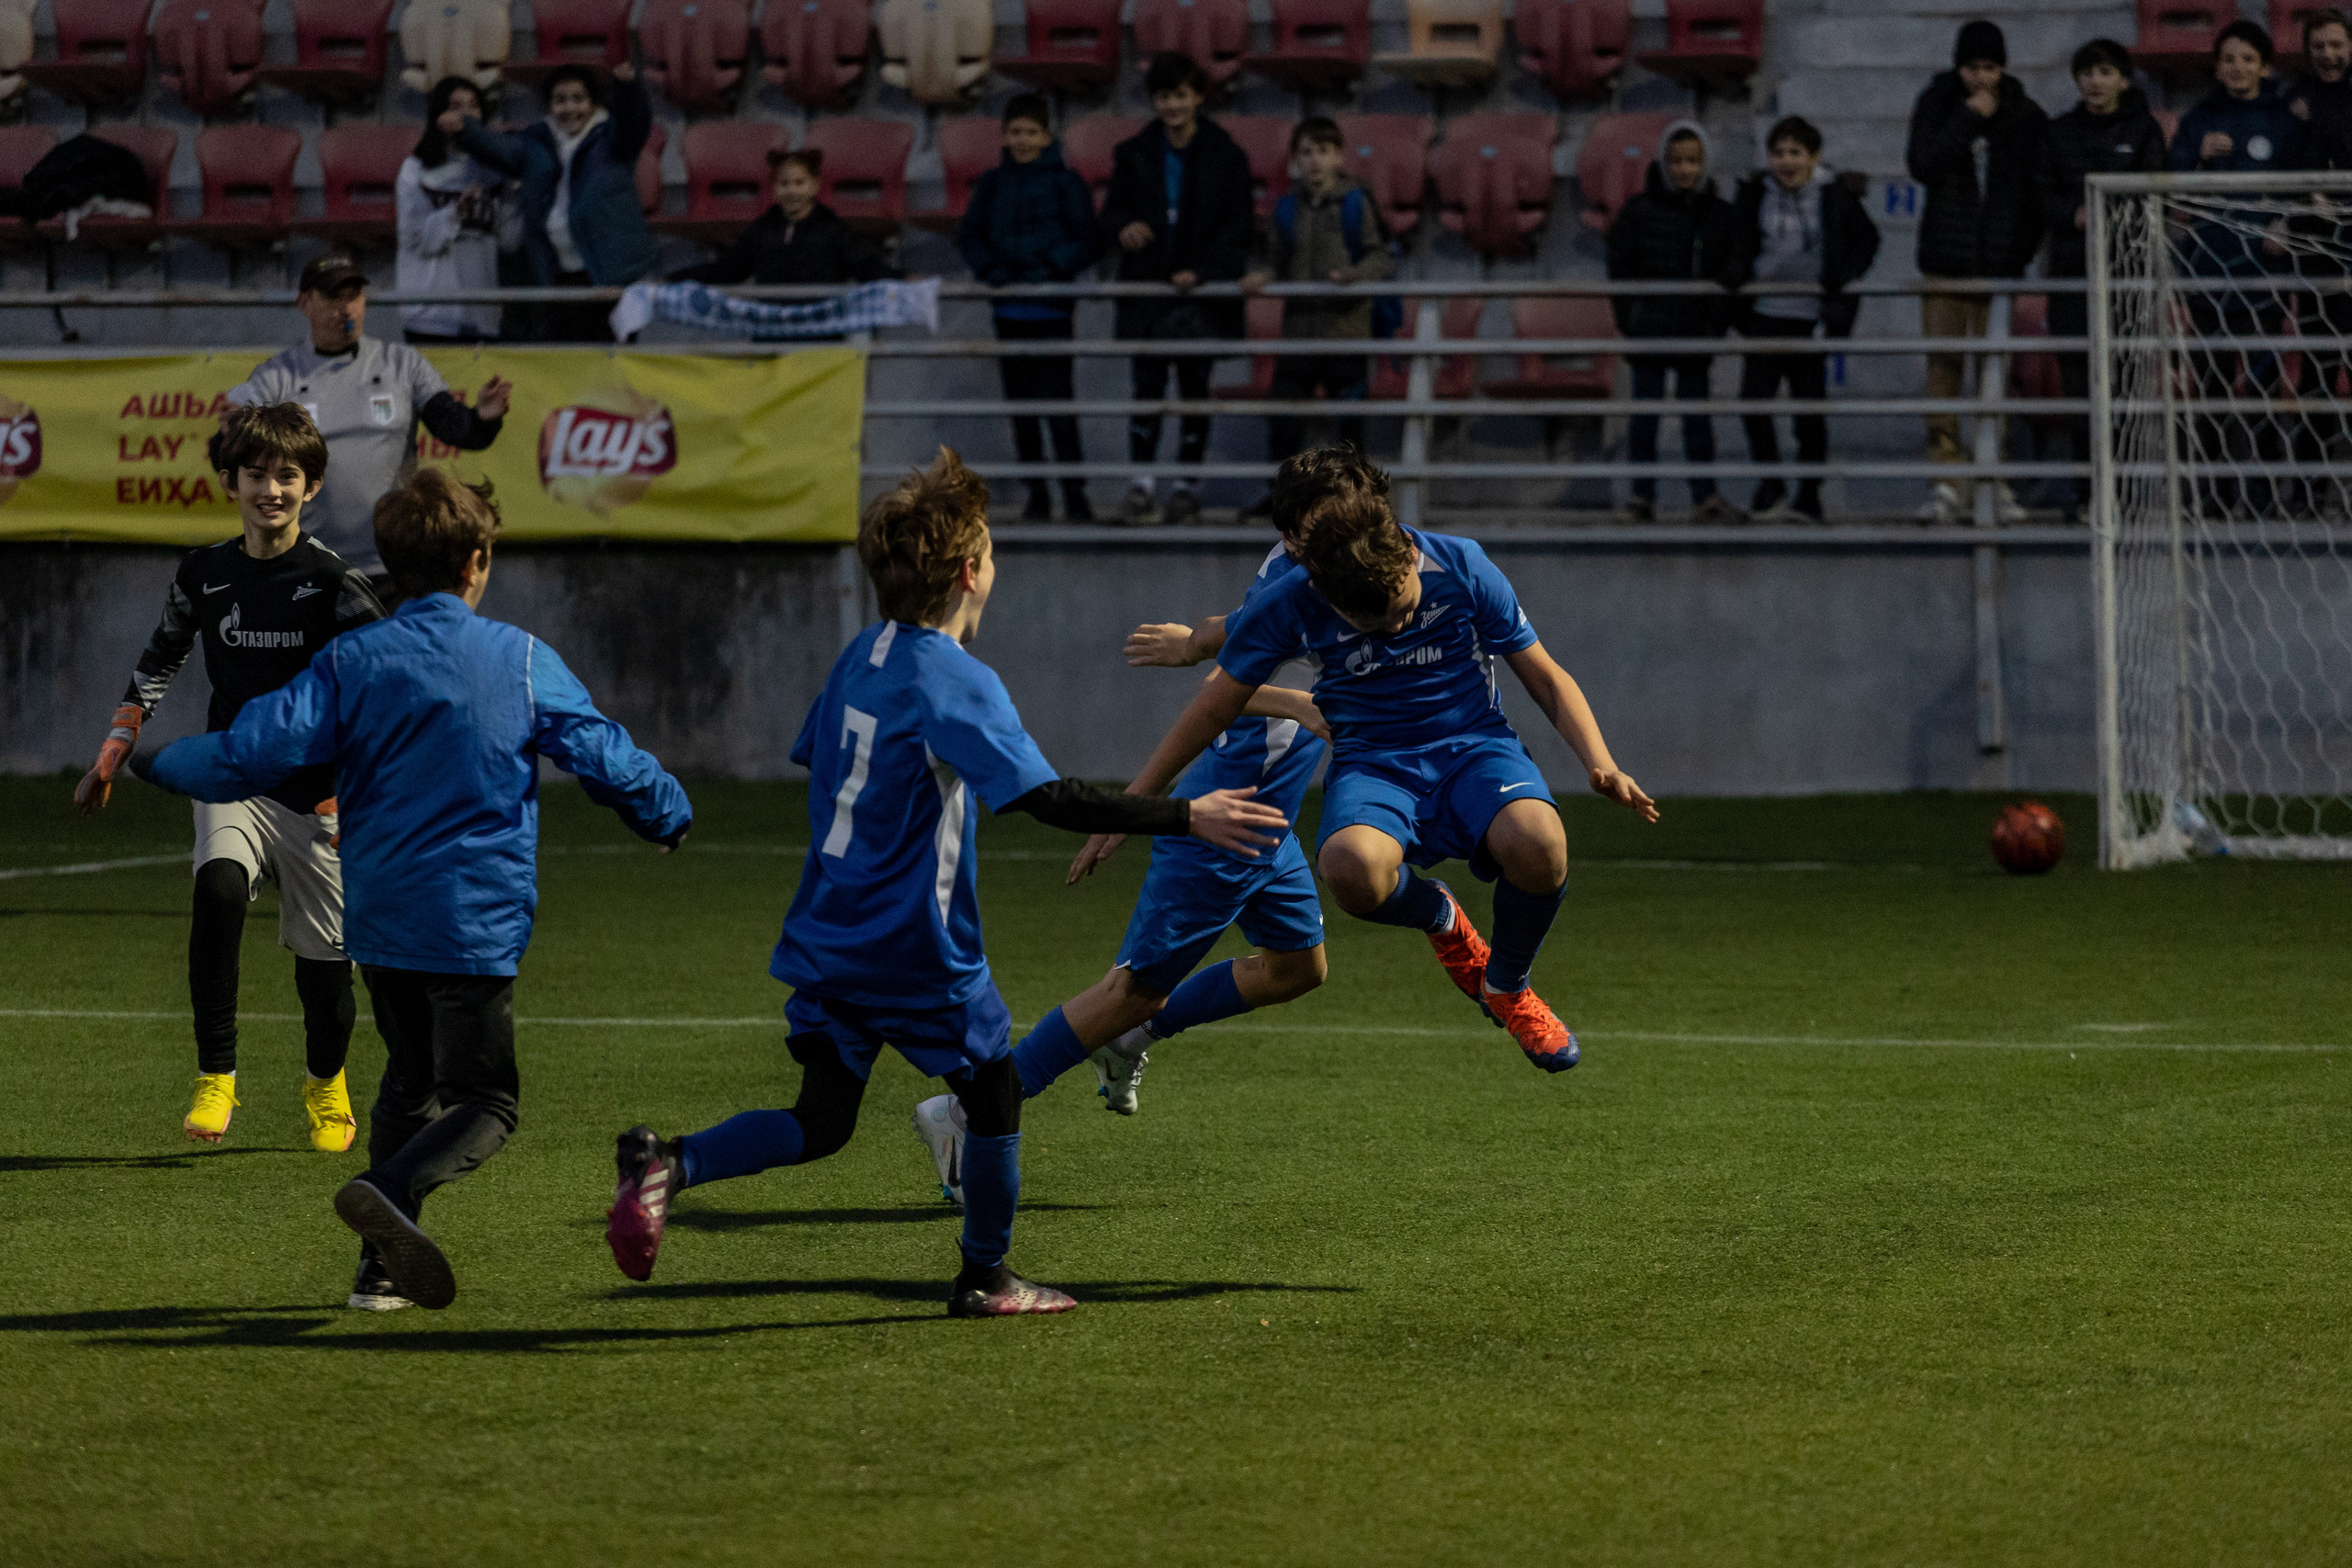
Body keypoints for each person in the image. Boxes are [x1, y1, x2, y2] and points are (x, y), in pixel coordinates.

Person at [599, 448, 1287, 1317]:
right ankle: (986, 1277)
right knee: (994, 1095)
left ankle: (672, 1163)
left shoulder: (862, 655)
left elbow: (823, 759)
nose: (994, 567)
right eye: (991, 553)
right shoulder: (952, 676)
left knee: (822, 1118)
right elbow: (1048, 798)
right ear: (968, 572)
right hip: (913, 943)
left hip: (828, 928)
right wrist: (1190, 816)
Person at [136, 469, 694, 1314]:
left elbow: (250, 750)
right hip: (471, 920)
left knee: (407, 1079)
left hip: (383, 918)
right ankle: (389, 1189)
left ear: (391, 567)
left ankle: (380, 1269)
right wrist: (666, 812)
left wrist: (156, 760)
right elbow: (604, 754)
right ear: (478, 560)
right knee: (488, 1101)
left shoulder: (352, 660)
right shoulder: (520, 658)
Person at [1119, 447, 1658, 1070]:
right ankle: (1439, 913)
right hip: (1374, 761)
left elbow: (1545, 676)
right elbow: (1217, 696)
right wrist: (1134, 802)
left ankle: (1507, 986)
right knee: (1349, 870)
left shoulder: (1461, 564)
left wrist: (1601, 760)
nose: (1395, 629)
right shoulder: (1297, 595)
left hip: (1473, 746)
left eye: (1402, 610)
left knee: (1541, 843)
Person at [908, 457, 1353, 1191]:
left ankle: (1134, 1037)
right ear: (1296, 533)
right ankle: (963, 1110)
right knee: (1129, 990)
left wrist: (1195, 639)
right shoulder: (1298, 580)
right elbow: (1225, 688)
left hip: (1268, 813)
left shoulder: (1336, 566)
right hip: (1228, 812)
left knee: (1297, 966)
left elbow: (1225, 637)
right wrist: (1289, 708)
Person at [74, 404, 382, 1151]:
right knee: (216, 890)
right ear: (229, 482)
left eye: (287, 476)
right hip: (233, 773)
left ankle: (325, 1083)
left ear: (312, 487)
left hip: (317, 795)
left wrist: (359, 785)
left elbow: (384, 683)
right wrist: (119, 741)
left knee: (326, 984)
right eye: (256, 475)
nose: (270, 489)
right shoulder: (204, 572)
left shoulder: (334, 582)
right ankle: (217, 1078)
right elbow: (161, 655)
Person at [225, 252, 510, 596]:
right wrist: (228, 437)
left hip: (395, 568)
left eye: (354, 296)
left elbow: (456, 428)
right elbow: (233, 461)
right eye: (333, 297)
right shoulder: (275, 378)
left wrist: (483, 418)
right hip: (310, 567)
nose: (346, 309)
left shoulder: (403, 364)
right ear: (304, 303)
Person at [1101, 51, 1256, 525]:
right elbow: (1110, 215)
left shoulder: (1227, 157)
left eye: (1181, 95)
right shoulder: (1133, 154)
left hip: (1200, 296)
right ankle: (1141, 487)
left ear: (1199, 98)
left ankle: (1187, 488)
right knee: (1145, 388)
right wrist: (1125, 226)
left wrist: (1204, 272)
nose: (1172, 105)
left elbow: (1239, 229)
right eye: (1164, 96)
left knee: (1194, 390)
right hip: (1147, 291)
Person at [1906, 19, 2048, 522]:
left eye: (1989, 68)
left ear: (2003, 67)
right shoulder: (1938, 103)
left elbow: (2037, 194)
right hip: (1946, 264)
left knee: (1996, 378)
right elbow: (1922, 165)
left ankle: (1994, 477)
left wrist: (2016, 253)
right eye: (1972, 68)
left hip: (1999, 269)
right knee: (1943, 375)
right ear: (1958, 66)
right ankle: (1946, 480)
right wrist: (1966, 117)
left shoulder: (2027, 116)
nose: (1981, 79)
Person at [2173, 20, 2312, 516]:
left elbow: (2304, 187)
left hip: (2263, 277)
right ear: (2216, 66)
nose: (2237, 68)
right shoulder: (2198, 121)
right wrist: (2197, 161)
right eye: (2228, 59)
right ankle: (2210, 498)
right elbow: (2170, 191)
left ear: (2264, 65)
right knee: (2210, 388)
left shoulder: (2284, 121)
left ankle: (2264, 498)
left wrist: (2285, 223)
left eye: (2247, 59)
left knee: (2261, 388)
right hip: (2208, 274)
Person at [1725, 117, 1882, 524]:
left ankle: (1809, 495)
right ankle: (1771, 482)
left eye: (1795, 152)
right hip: (1763, 316)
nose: (1785, 161)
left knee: (1808, 414)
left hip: (1809, 320)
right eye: (1778, 153)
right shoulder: (1754, 193)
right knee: (1753, 403)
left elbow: (1868, 240)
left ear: (1815, 157)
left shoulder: (1835, 196)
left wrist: (1842, 276)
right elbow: (1735, 240)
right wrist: (1738, 269)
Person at [2037, 40, 2167, 522]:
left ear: (2123, 80)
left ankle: (2129, 495)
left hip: (2128, 278)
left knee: (2127, 388)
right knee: (2080, 389)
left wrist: (2115, 218)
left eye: (2106, 72)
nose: (2095, 81)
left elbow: (2158, 195)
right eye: (2087, 72)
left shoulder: (2143, 130)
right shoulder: (2058, 133)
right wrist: (2070, 216)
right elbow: (2040, 197)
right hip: (2073, 278)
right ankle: (2088, 492)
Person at [1238, 116, 1396, 512]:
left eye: (1323, 151)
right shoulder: (1287, 207)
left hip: (1347, 333)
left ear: (1339, 156)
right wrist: (1263, 276)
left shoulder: (1357, 202)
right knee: (1284, 420)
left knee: (1348, 427)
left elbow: (1380, 257)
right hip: (1298, 335)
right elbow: (1278, 260)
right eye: (1306, 152)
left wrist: (1354, 277)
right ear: (1295, 159)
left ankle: (1355, 502)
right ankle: (1281, 500)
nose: (1314, 161)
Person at [957, 96, 1101, 523]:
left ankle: (1076, 497)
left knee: (1059, 408)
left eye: (1031, 132)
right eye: (1015, 132)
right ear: (1004, 135)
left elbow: (1086, 239)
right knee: (1022, 410)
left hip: (1053, 310)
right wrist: (993, 271)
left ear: (1047, 136)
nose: (1022, 140)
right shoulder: (992, 184)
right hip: (1009, 312)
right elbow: (972, 237)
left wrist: (1051, 267)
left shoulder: (1067, 183)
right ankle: (1037, 495)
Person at [454, 62, 660, 342]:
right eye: (560, 100)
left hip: (609, 276)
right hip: (558, 276)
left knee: (614, 369)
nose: (569, 108)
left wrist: (627, 88)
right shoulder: (536, 141)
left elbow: (633, 123)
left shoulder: (612, 140)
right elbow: (501, 150)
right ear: (549, 106)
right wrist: (465, 131)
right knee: (567, 365)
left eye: (578, 99)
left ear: (593, 103)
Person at [1603, 119, 1737, 524]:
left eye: (1694, 161)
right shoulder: (1639, 212)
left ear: (1706, 164)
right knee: (1644, 419)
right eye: (1677, 161)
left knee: (1698, 419)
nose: (1685, 170)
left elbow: (1732, 264)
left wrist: (1716, 321)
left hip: (1696, 331)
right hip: (1650, 331)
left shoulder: (1719, 214)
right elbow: (1620, 266)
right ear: (1664, 163)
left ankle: (1705, 497)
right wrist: (1631, 319)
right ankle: (1641, 497)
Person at [673, 147, 899, 290]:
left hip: (820, 340)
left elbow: (866, 268)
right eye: (784, 184)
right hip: (772, 337)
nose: (791, 191)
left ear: (815, 185)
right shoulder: (760, 230)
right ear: (774, 188)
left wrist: (905, 279)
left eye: (799, 183)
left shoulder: (834, 230)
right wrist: (673, 280)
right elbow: (727, 270)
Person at [400, 76, 514, 345]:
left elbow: (510, 239)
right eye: (455, 105)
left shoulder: (496, 169)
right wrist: (453, 214)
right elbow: (413, 240)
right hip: (431, 314)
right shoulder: (415, 170)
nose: (465, 113)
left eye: (473, 105)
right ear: (438, 114)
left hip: (483, 313)